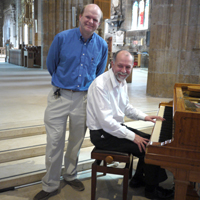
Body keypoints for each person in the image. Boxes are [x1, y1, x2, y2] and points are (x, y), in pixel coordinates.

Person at [33, 4, 108, 200]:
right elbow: (51, 64)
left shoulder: (102, 45)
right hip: (60, 96)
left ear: (99, 24)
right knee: (55, 141)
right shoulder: (62, 38)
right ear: (80, 16)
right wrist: (64, 83)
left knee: (76, 141)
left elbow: (99, 73)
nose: (91, 22)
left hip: (84, 99)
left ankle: (70, 174)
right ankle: (50, 185)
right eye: (88, 17)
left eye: (95, 20)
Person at [86, 50, 174, 199]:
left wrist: (145, 117)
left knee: (151, 140)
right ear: (112, 64)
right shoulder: (100, 85)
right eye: (120, 66)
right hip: (102, 134)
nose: (124, 71)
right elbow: (106, 122)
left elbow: (126, 107)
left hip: (114, 128)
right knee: (148, 147)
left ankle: (138, 179)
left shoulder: (121, 81)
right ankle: (152, 190)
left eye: (128, 67)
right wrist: (133, 136)